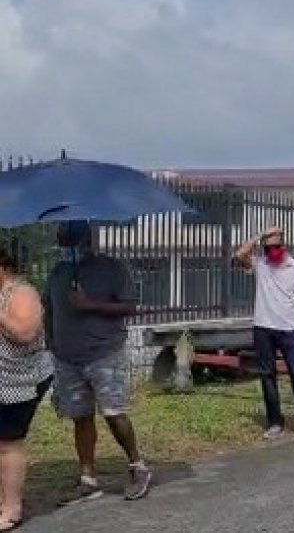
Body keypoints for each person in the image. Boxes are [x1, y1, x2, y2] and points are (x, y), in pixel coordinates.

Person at [43, 221, 152, 504]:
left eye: (70, 242)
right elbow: (49, 309)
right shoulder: (58, 272)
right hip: (68, 357)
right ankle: (88, 478)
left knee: (113, 412)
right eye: (61, 242)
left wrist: (89, 305)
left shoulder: (113, 268)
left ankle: (137, 466)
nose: (65, 248)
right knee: (81, 416)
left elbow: (130, 306)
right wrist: (51, 342)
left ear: (86, 241)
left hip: (104, 352)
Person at [234, 227, 294, 441]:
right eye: (267, 248)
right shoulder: (261, 264)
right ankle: (275, 422)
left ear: (284, 246)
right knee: (267, 376)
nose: (271, 251)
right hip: (263, 328)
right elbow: (239, 255)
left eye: (275, 247)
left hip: (289, 329)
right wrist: (260, 234)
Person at [0, 248, 53, 529]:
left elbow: (25, 333)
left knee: (7, 444)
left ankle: (12, 510)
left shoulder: (22, 293)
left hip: (19, 382)